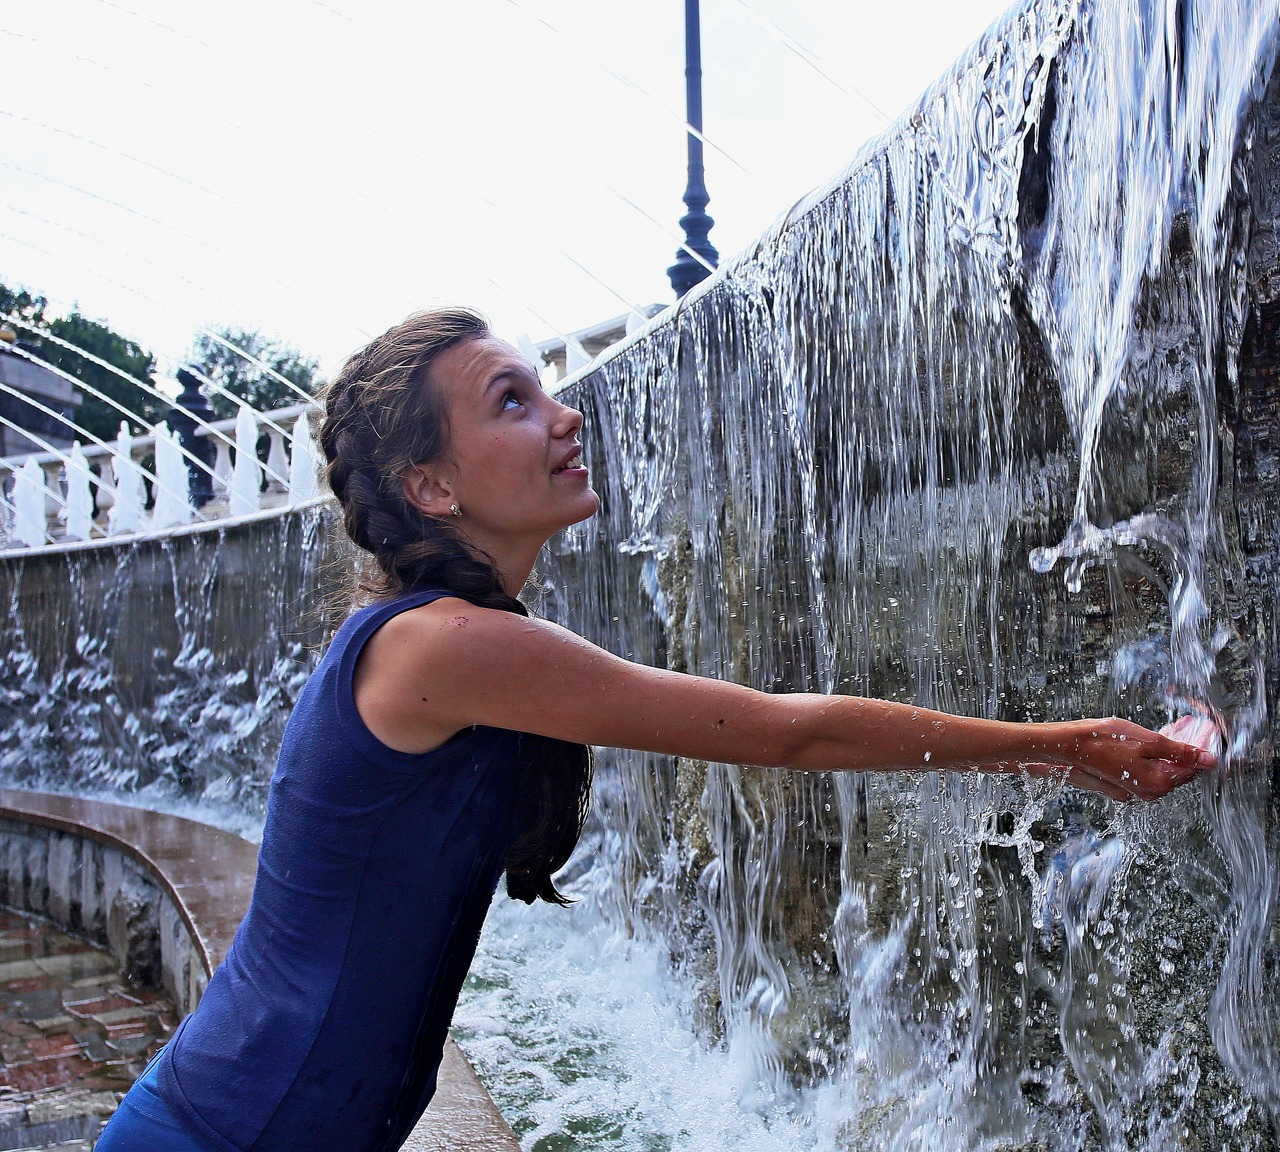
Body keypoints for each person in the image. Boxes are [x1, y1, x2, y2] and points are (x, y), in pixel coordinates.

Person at [97, 307, 1217, 1151]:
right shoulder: (441, 647)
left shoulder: (448, 641)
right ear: (430, 487)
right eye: (511, 403)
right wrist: (1061, 746)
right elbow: (788, 736)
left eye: (543, 390)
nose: (563, 414)